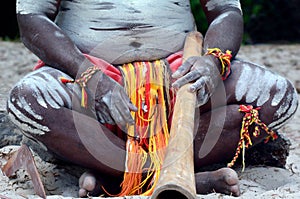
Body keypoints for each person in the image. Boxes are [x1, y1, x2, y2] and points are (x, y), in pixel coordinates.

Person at [8, 0, 298, 197]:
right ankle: (176, 177)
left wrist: (212, 63)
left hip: (180, 75)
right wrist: (88, 76)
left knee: (279, 96)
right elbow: (31, 18)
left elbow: (226, 11)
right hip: (86, 71)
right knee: (26, 101)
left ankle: (120, 174)